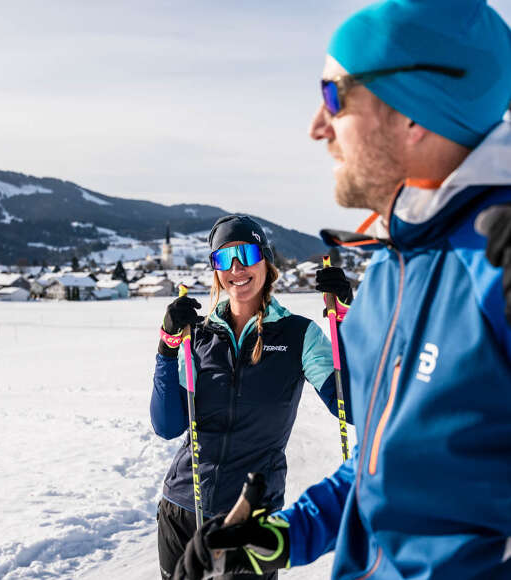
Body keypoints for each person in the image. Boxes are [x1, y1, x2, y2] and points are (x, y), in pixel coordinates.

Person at [174, 1, 511, 579]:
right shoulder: (391, 267)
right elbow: (378, 469)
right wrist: (280, 535)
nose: (316, 125)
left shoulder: (497, 264)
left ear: (414, 109)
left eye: (333, 97)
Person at [150, 214, 352, 580]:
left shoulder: (299, 335)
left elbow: (351, 407)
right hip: (183, 507)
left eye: (245, 254)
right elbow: (166, 426)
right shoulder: (199, 336)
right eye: (224, 259)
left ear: (265, 259)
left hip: (249, 520)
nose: (237, 268)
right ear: (215, 270)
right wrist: (167, 348)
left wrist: (347, 323)